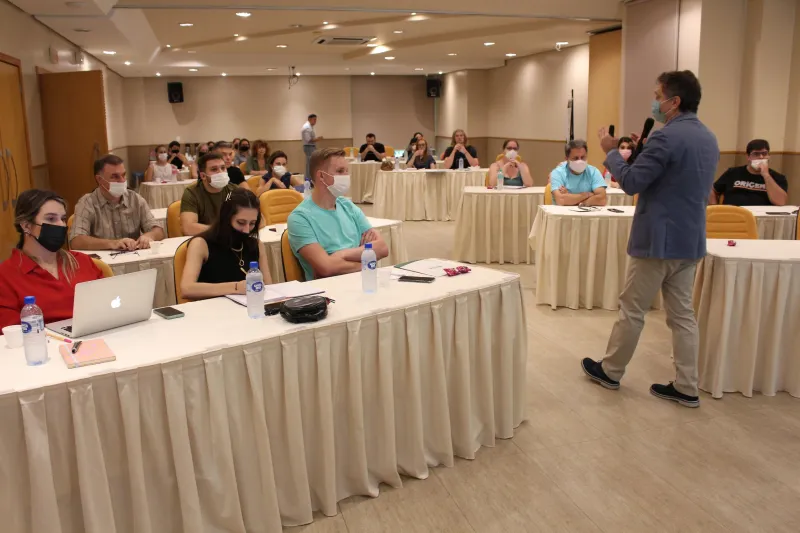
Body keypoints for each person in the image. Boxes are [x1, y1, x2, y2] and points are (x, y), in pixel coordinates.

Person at [583, 70, 720, 408]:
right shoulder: (708, 137)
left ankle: (611, 371)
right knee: (683, 315)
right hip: (690, 239)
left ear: (674, 101)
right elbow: (675, 179)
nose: (655, 101)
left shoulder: (666, 137)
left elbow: (630, 183)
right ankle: (687, 385)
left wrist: (612, 151)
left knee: (632, 308)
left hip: (657, 240)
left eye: (658, 95)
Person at [0, 189, 104, 330]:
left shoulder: (83, 262)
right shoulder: (6, 276)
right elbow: (10, 335)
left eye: (62, 218)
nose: (61, 225)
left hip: (96, 341)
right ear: (26, 225)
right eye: (50, 219)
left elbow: (108, 307)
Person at [288, 147, 388, 280]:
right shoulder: (300, 218)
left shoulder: (347, 206)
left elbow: (382, 248)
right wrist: (368, 260)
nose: (346, 176)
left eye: (347, 171)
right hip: (329, 293)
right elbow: (326, 268)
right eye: (340, 171)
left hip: (362, 283)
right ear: (321, 176)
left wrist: (341, 255)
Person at [180, 188, 272, 300]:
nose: (247, 230)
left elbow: (268, 287)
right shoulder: (201, 244)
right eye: (241, 223)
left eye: (252, 223)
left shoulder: (256, 245)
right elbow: (187, 289)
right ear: (226, 218)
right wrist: (236, 287)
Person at [70, 155, 165, 251]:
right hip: (102, 263)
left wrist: (149, 236)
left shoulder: (135, 199)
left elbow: (158, 231)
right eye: (115, 177)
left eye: (123, 175)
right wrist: (113, 243)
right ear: (99, 179)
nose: (122, 181)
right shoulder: (87, 203)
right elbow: (76, 241)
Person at [710, 139, 788, 206]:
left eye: (764, 153)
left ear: (769, 156)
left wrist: (766, 175)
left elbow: (780, 202)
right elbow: (712, 190)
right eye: (756, 154)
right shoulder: (732, 173)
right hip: (733, 216)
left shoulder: (778, 177)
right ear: (748, 157)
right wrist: (715, 208)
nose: (761, 157)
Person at [180, 152, 240, 236]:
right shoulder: (192, 193)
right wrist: (224, 230)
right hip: (205, 240)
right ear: (203, 176)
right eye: (214, 169)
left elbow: (260, 220)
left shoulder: (235, 190)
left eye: (223, 168)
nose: (220, 172)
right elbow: (188, 228)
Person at [549, 140, 607, 206]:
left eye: (583, 157)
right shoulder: (557, 173)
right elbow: (561, 200)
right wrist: (587, 194)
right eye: (576, 158)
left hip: (587, 213)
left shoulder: (593, 172)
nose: (580, 161)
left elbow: (602, 199)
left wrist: (572, 199)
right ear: (566, 159)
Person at [302, 114, 323, 179]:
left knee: (311, 163)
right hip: (309, 147)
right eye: (314, 119)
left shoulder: (309, 127)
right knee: (310, 163)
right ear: (309, 119)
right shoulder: (307, 127)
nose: (315, 121)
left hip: (310, 147)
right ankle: (308, 178)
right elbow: (308, 140)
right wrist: (318, 139)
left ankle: (310, 178)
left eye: (316, 119)